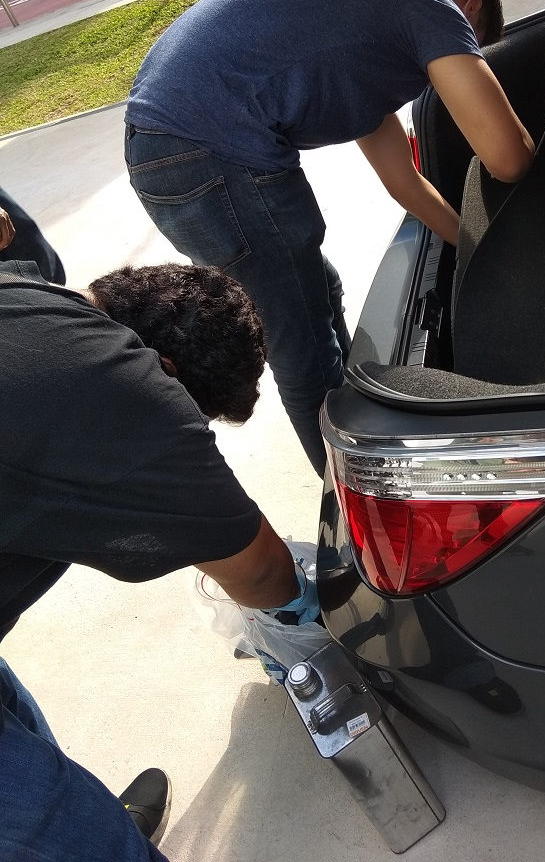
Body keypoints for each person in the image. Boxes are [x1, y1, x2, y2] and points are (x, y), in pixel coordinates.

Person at [124, 0, 535, 475]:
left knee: (320, 291)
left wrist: (477, 247)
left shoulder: (365, 31)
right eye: (468, 52)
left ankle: (360, 425)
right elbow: (508, 157)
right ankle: (350, 503)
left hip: (170, 146)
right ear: (468, 10)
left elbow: (404, 183)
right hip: (207, 147)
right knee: (304, 350)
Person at [0, 256, 318, 861]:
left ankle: (65, 808)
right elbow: (262, 570)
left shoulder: (27, 297)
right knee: (68, 837)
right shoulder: (114, 382)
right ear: (165, 371)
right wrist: (307, 625)